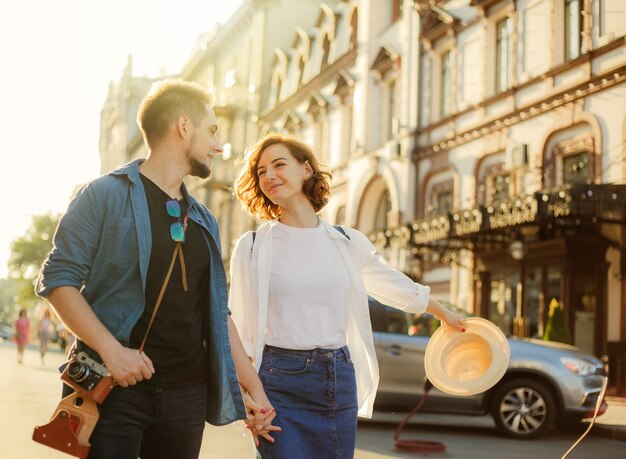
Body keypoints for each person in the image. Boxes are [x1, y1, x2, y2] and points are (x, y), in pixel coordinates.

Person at [37, 79, 276, 459]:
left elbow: (217, 313)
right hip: (114, 390)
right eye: (212, 131)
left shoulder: (204, 220)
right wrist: (112, 351)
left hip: (187, 396)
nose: (219, 145)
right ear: (183, 126)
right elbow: (57, 281)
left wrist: (254, 389)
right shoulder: (103, 195)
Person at [229, 133, 466, 458]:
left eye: (279, 164)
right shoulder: (253, 246)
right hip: (278, 381)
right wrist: (247, 396)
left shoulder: (345, 242)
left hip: (337, 377)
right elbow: (236, 330)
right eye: (261, 172)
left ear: (307, 169)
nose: (269, 176)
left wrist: (443, 313)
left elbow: (392, 284)